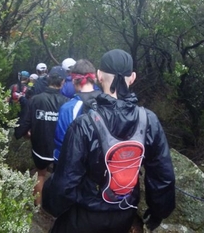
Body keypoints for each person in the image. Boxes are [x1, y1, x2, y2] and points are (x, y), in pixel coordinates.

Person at [42, 49, 175, 233]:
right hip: (124, 215)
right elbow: (162, 175)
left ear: (98, 76)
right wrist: (160, 211)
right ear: (133, 77)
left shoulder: (84, 123)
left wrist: (52, 205)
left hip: (83, 216)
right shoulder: (149, 120)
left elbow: (66, 181)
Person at [14, 66, 68, 206]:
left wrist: (21, 133)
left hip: (40, 146)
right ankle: (53, 207)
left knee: (41, 175)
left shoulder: (35, 100)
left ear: (48, 79)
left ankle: (37, 208)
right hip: (59, 150)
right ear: (62, 82)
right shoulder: (67, 103)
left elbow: (25, 121)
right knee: (57, 177)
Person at [53, 59, 101, 163]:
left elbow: (61, 143)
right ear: (95, 79)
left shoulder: (67, 109)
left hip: (76, 168)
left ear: (74, 81)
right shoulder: (108, 103)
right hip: (101, 168)